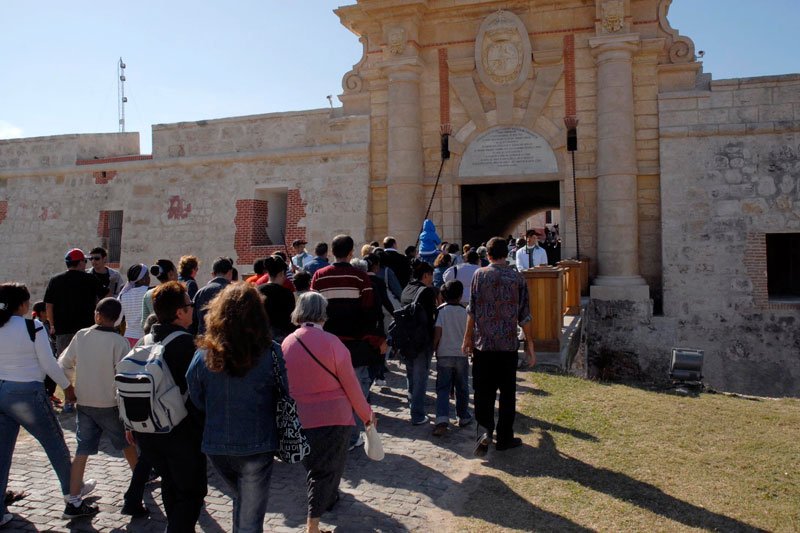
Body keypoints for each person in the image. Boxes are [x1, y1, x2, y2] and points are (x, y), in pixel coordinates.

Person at [188, 284, 283, 533]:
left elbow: (195, 395)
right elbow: (284, 391)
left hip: (217, 442)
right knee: (250, 517)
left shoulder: (204, 354)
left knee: (243, 501)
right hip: (257, 441)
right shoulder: (271, 352)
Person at [0, 283, 96, 525]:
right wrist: (67, 386)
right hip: (27, 392)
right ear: (22, 304)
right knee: (55, 445)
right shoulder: (32, 326)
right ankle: (73, 498)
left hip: (2, 389)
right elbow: (48, 362)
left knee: (2, 452)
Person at [281, 292, 375, 533]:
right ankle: (313, 525)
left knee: (316, 470)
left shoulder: (287, 343)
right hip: (335, 417)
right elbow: (352, 385)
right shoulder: (333, 343)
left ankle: (325, 502)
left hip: (301, 418)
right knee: (327, 471)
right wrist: (366, 415)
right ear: (323, 313)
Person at [132, 281, 207, 532]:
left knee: (171, 484)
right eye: (189, 305)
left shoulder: (145, 339)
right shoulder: (187, 345)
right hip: (179, 432)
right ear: (179, 312)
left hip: (147, 430)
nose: (193, 309)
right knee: (192, 492)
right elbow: (199, 392)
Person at [58, 298, 138, 515]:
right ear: (118, 319)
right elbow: (125, 375)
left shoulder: (81, 335)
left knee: (82, 450)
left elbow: (63, 363)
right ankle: (138, 485)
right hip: (110, 402)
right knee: (126, 444)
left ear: (97, 314)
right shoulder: (120, 343)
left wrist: (70, 388)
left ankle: (73, 499)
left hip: (84, 401)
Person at [462, 237, 535, 457]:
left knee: (483, 392)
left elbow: (472, 311)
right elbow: (524, 315)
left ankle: (484, 431)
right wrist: (530, 343)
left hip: (483, 345)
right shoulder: (517, 278)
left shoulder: (479, 275)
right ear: (507, 254)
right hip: (507, 345)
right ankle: (504, 437)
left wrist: (467, 338)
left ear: (488, 255)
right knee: (507, 393)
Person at [310, 235, 375, 450]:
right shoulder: (360, 277)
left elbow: (314, 309)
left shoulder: (319, 276)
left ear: (332, 252)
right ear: (350, 252)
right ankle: (352, 436)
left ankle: (332, 433)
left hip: (326, 343)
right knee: (356, 389)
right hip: (354, 342)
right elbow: (368, 310)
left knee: (328, 389)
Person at [399, 261, 437, 426]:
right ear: (426, 275)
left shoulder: (406, 289)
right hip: (421, 341)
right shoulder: (427, 292)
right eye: (431, 276)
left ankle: (412, 404)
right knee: (420, 378)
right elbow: (430, 319)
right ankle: (418, 414)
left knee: (410, 374)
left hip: (406, 340)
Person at [44, 248, 102, 356]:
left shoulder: (55, 280)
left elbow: (48, 305)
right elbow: (106, 296)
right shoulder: (90, 279)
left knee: (64, 362)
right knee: (85, 360)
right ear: (80, 263)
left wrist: (52, 325)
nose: (85, 264)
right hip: (86, 328)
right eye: (85, 261)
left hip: (63, 329)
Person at [432, 281, 472, 437]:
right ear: (461, 295)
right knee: (462, 387)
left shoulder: (441, 311)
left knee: (443, 388)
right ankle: (463, 416)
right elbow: (470, 334)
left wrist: (434, 348)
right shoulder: (466, 312)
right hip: (461, 354)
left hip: (444, 353)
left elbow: (437, 333)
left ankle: (442, 419)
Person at [258, 256, 296, 343]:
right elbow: (292, 319)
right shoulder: (287, 293)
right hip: (283, 339)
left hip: (262, 337)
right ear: (282, 273)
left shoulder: (257, 291)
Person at [193, 257, 233, 336]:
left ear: (213, 274)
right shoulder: (234, 292)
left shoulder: (200, 292)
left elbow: (193, 320)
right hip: (227, 340)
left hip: (205, 340)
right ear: (230, 272)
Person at [118, 264, 151, 348]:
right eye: (147, 275)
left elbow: (121, 318)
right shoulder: (148, 292)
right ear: (142, 280)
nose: (149, 278)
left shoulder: (124, 295)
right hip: (143, 338)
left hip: (127, 337)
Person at [141, 259, 178, 330]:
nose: (177, 275)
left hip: (153, 335)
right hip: (173, 335)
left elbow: (144, 322)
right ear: (170, 274)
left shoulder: (148, 294)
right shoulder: (178, 293)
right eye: (176, 272)